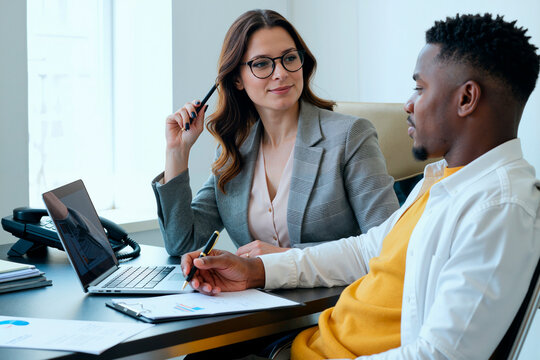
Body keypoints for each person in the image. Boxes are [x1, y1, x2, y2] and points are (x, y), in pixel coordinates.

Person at [181, 13, 540, 359]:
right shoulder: (444, 180)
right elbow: (368, 249)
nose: (408, 104)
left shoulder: (498, 208)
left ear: (466, 99)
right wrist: (256, 271)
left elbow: (440, 354)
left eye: (420, 87)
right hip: (310, 340)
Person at [151, 9, 399, 257]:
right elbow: (181, 244)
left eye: (289, 58)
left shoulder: (350, 136)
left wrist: (283, 260)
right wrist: (177, 152)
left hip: (334, 296)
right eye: (261, 64)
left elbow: (387, 244)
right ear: (237, 79)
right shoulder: (234, 151)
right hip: (253, 297)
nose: (281, 73)